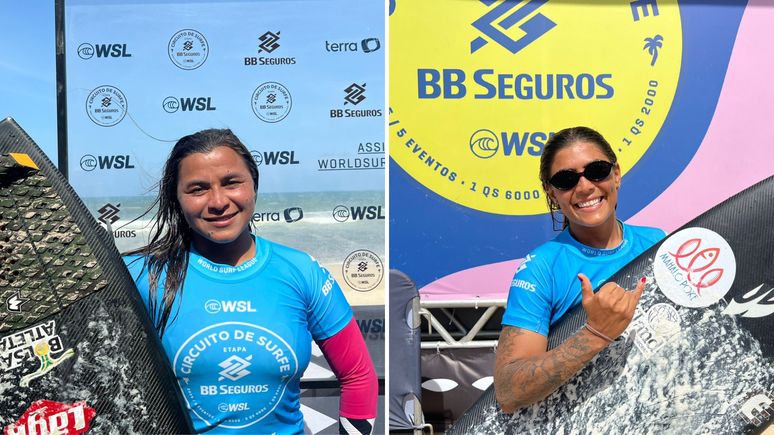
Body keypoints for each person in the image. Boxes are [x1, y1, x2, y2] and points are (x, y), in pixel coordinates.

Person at [123, 129, 378, 434]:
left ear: (254, 186)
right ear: (176, 199)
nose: (218, 201)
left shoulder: (300, 271)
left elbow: (358, 375)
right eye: (197, 189)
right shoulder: (141, 276)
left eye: (231, 183)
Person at [493, 126, 666, 413]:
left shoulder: (657, 242)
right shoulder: (541, 269)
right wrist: (596, 334)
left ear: (616, 174)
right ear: (552, 193)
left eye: (597, 170)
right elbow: (509, 390)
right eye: (566, 179)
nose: (585, 186)